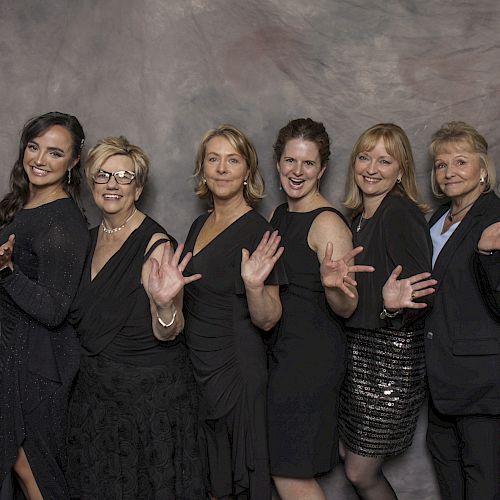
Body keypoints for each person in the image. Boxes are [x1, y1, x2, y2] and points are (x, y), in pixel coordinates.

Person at [66, 136, 204, 499]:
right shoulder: (88, 238)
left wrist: (163, 306)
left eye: (124, 176)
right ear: (91, 182)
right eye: (103, 175)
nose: (112, 184)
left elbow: (172, 332)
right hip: (95, 403)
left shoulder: (156, 244)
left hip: (146, 407)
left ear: (139, 187)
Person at [267, 118, 374, 500]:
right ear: (278, 163)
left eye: (308, 163)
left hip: (309, 363)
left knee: (289, 472)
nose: (297, 172)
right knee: (282, 467)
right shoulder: (281, 215)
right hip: (283, 355)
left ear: (322, 169)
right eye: (290, 161)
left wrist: (334, 288)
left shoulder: (328, 223)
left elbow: (347, 308)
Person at [178, 124, 285, 499]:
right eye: (213, 159)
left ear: (247, 172)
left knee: (242, 477)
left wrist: (255, 286)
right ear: (203, 169)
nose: (222, 168)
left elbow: (269, 318)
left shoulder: (259, 230)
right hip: (197, 367)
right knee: (212, 479)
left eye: (233, 160)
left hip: (237, 369)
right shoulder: (197, 224)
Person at [338, 123, 435, 500]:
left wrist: (392, 308)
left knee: (360, 471)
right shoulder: (357, 219)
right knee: (350, 457)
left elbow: (422, 294)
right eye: (365, 157)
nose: (372, 168)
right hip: (357, 355)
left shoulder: (400, 213)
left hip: (390, 360)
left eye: (384, 160)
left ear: (401, 169)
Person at [0, 112, 89, 499]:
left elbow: (55, 309)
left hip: (37, 360)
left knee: (29, 463)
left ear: (72, 164)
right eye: (34, 147)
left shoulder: (62, 222)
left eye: (55, 153)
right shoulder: (21, 206)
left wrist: (6, 272)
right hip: (13, 352)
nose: (39, 159)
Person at [424, 121, 500, 500]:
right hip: (439, 377)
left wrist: (488, 256)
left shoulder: (495, 219)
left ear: (483, 169)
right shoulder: (437, 220)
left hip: (483, 381)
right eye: (441, 164)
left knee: (483, 481)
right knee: (449, 478)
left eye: (460, 162)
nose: (449, 172)